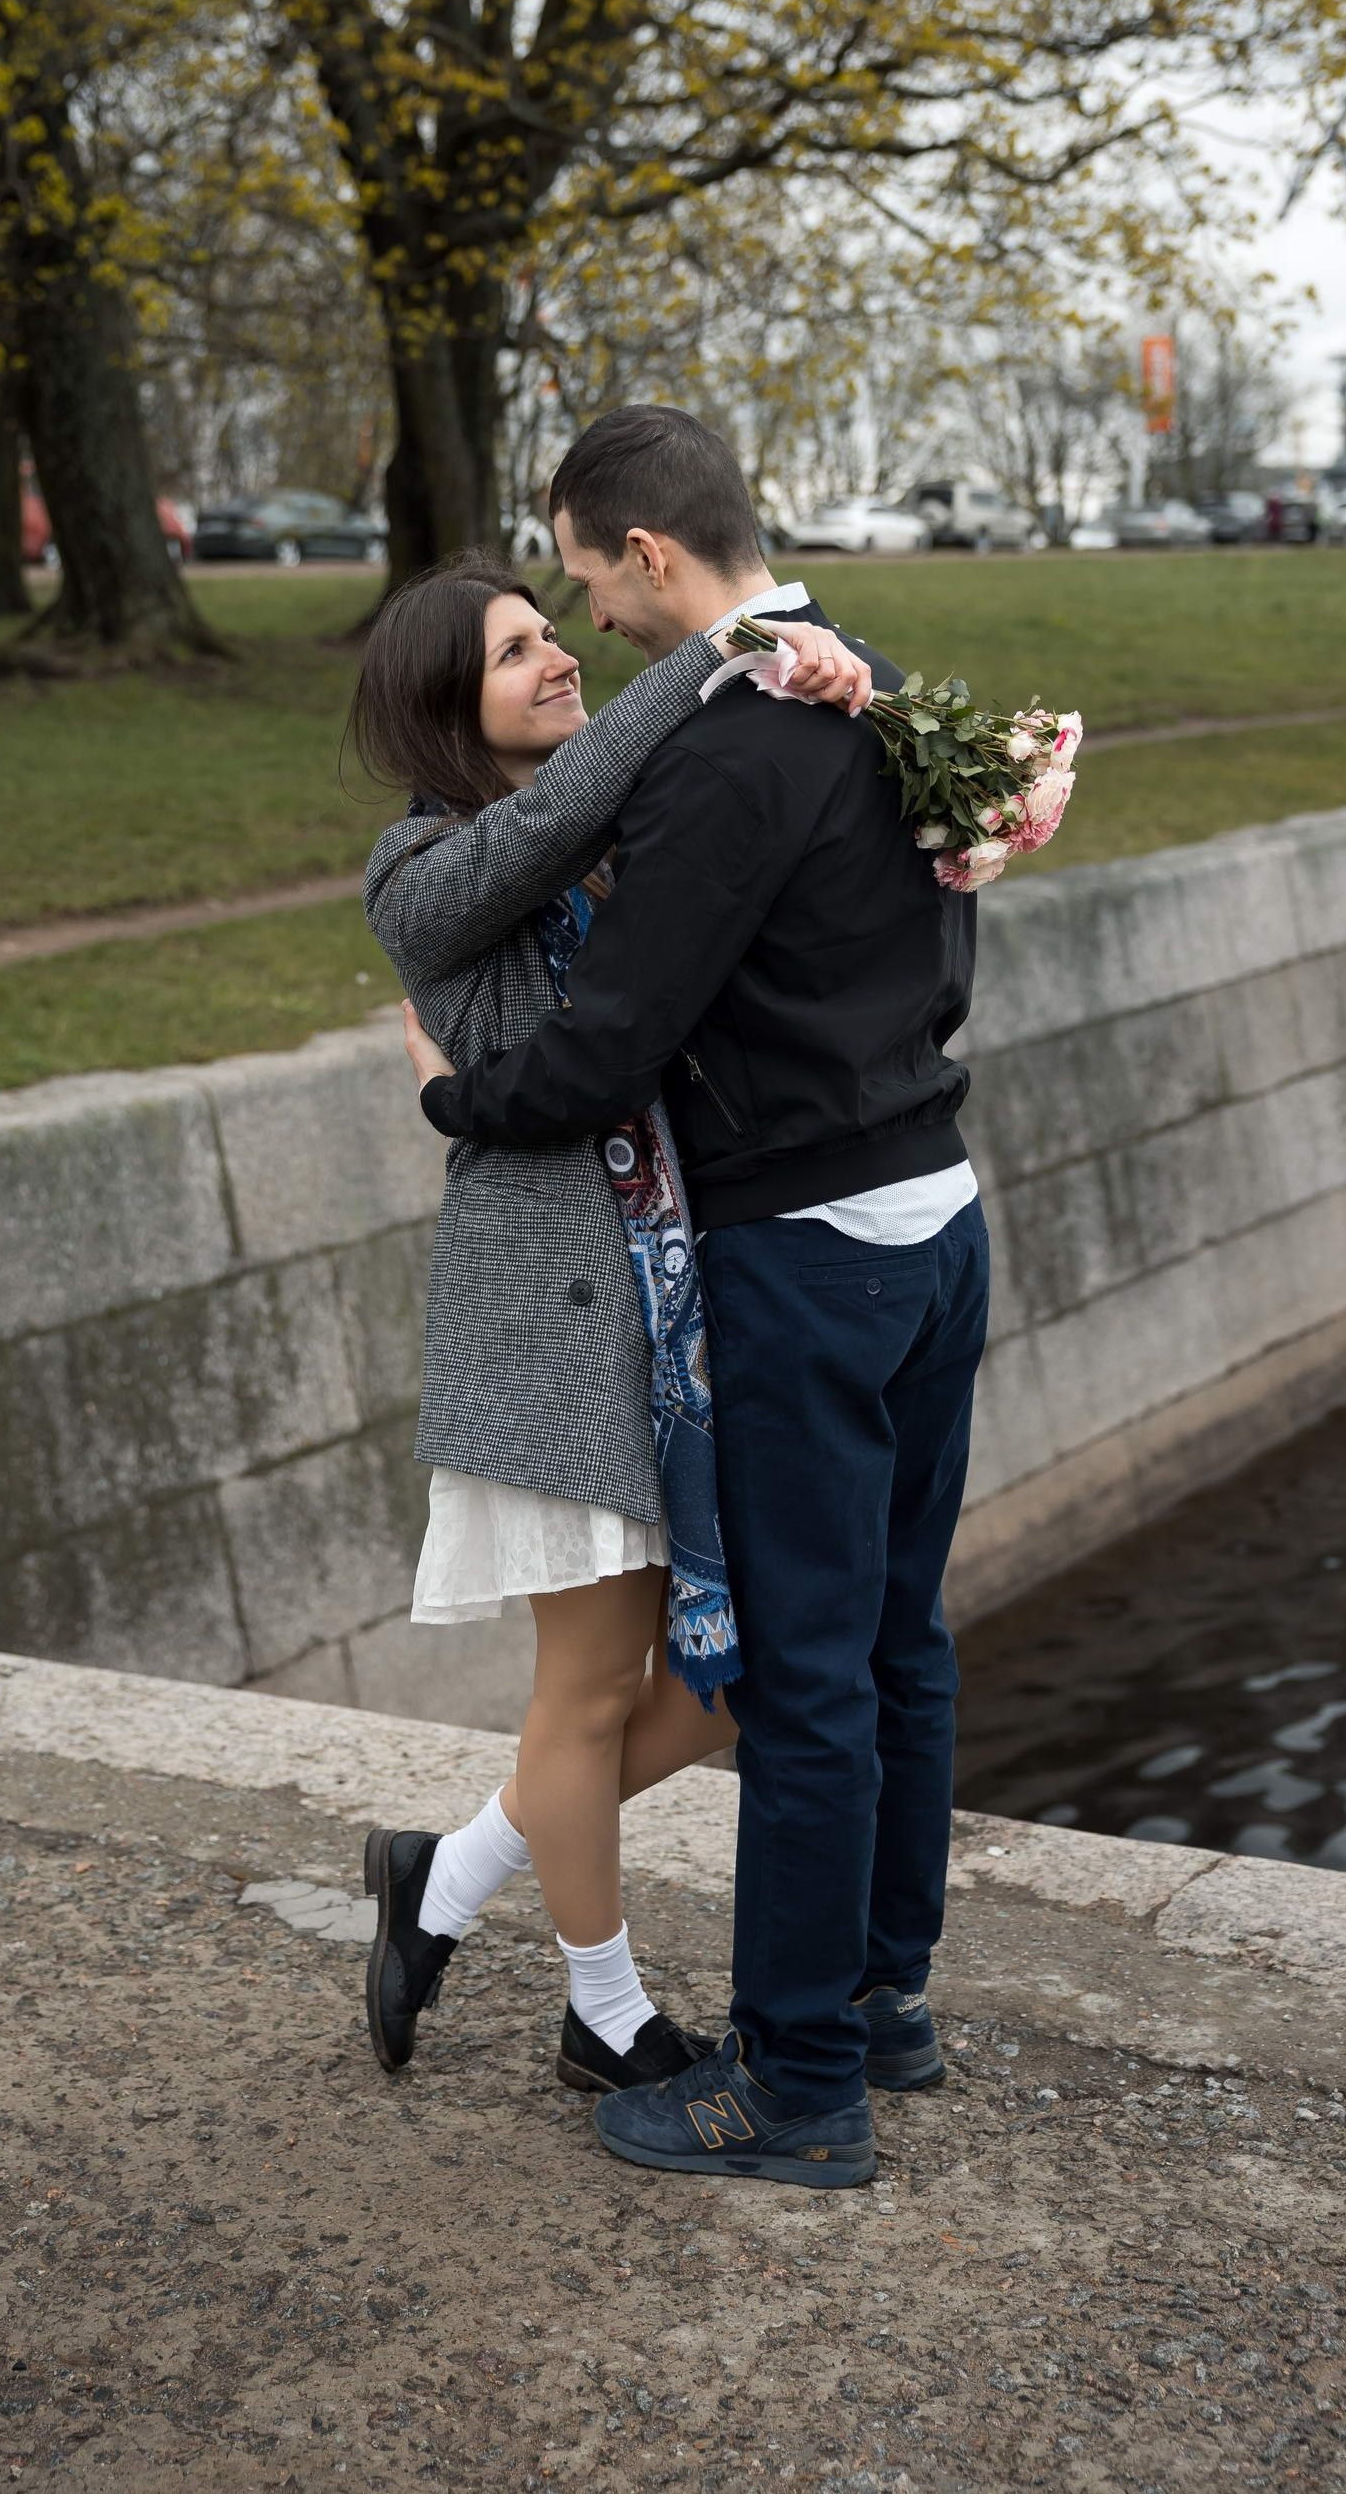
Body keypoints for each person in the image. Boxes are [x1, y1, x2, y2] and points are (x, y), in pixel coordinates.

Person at [406, 406, 989, 2190]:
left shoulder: (739, 743)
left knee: (809, 1680)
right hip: (940, 1214)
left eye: (583, 576)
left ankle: (803, 2088)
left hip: (806, 1246)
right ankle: (883, 1998)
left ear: (648, 552)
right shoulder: (870, 682)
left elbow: (608, 1043)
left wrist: (450, 1096)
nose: (586, 613)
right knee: (901, 1640)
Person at [354, 550, 872, 2097]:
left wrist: (812, 678)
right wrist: (726, 638)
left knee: (725, 1675)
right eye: (517, 653)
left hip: (676, 1317)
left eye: (550, 634)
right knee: (585, 1694)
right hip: (549, 1332)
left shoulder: (606, 841)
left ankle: (442, 1880)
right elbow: (545, 824)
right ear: (449, 709)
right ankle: (605, 2011)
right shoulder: (423, 869)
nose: (557, 659)